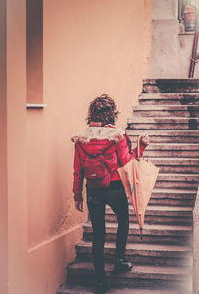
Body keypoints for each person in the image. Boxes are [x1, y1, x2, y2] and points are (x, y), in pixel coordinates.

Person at [71, 94, 150, 294]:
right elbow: (126, 163)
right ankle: (119, 260)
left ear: (92, 113)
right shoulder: (118, 135)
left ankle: (100, 282)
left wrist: (77, 195)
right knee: (123, 220)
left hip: (93, 189)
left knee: (98, 234)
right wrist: (140, 146)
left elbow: (77, 169)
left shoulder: (82, 138)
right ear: (111, 113)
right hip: (114, 187)